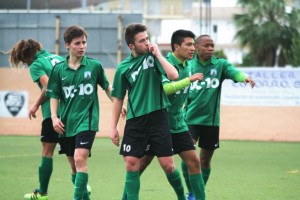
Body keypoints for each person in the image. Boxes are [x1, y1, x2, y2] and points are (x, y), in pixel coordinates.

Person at [121, 29, 206, 200]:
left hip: (178, 123)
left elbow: (183, 95)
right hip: (159, 124)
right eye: (189, 45)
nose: (193, 49)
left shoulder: (189, 66)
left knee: (194, 162)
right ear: (176, 47)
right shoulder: (162, 63)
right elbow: (166, 89)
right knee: (139, 165)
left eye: (194, 45)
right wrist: (188, 81)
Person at [110, 23, 187, 200]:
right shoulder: (123, 68)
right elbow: (118, 98)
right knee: (131, 164)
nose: (147, 42)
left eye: (147, 39)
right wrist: (113, 127)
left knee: (168, 166)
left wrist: (158, 53)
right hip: (135, 120)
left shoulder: (154, 58)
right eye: (142, 40)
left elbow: (174, 75)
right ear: (132, 46)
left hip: (158, 118)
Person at [45, 25, 112, 200]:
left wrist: (118, 102)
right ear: (67, 45)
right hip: (66, 123)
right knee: (74, 167)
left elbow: (107, 87)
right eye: (77, 43)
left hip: (87, 121)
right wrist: (53, 117)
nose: (82, 46)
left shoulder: (94, 66)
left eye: (84, 42)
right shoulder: (58, 70)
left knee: (79, 159)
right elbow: (54, 95)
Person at [182, 34, 255, 191]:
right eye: (206, 45)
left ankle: (197, 192)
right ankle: (191, 192)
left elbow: (234, 72)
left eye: (212, 45)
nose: (210, 48)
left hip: (211, 121)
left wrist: (245, 78)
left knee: (205, 160)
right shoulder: (188, 65)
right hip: (189, 119)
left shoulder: (220, 65)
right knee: (187, 157)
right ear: (196, 47)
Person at [7, 39, 73, 200]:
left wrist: (35, 105)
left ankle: (42, 193)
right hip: (72, 111)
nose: (25, 64)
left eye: (23, 61)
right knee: (73, 156)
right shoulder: (57, 58)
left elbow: (48, 87)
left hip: (53, 113)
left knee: (47, 152)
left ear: (26, 56)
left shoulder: (36, 65)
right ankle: (83, 188)